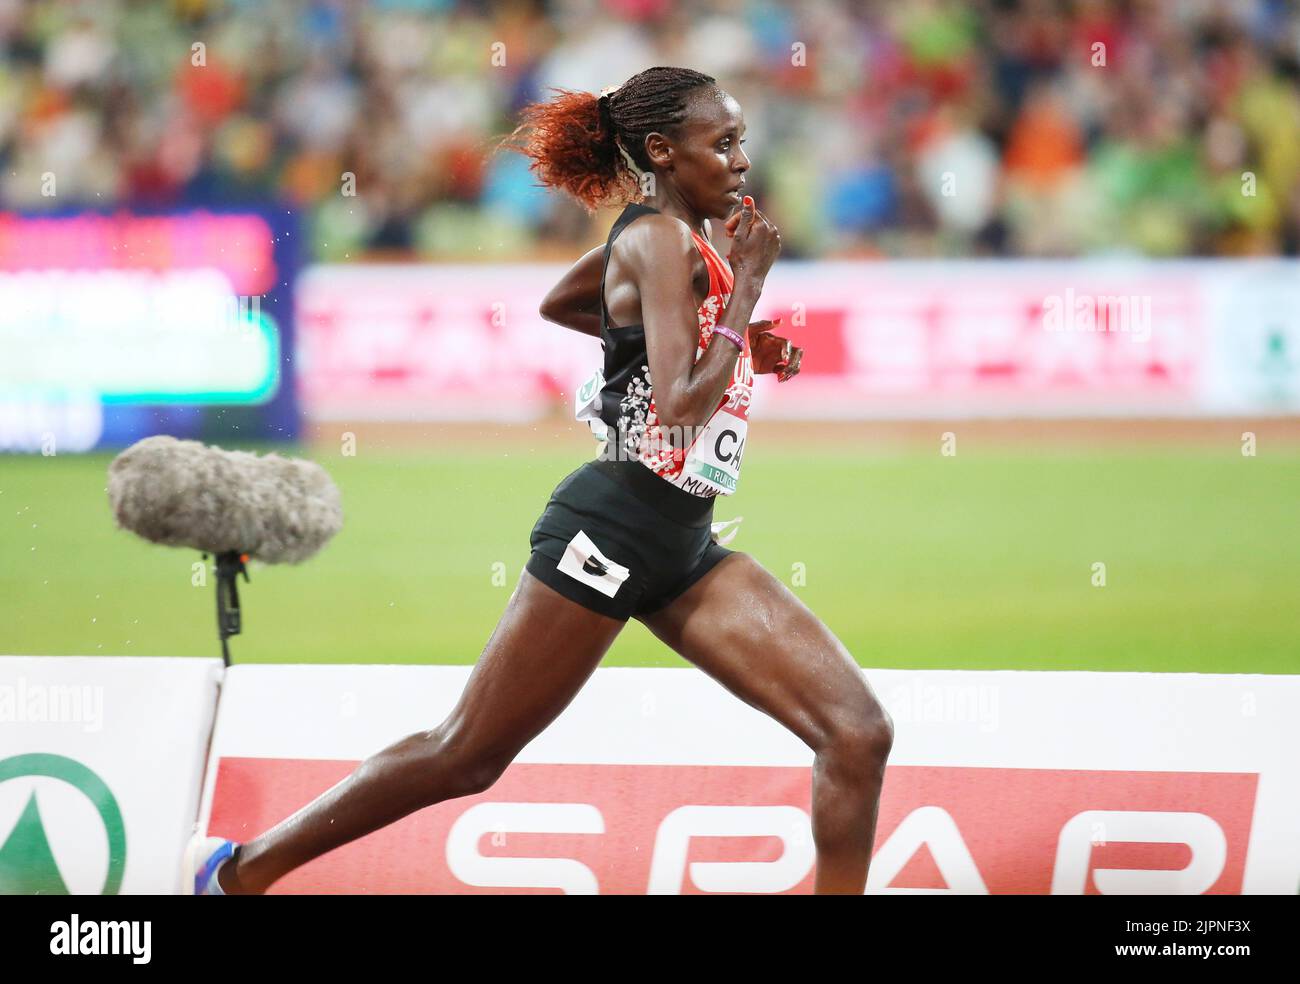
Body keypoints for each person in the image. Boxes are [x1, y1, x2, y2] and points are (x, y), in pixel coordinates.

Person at [185, 66, 893, 896]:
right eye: (724, 143)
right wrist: (742, 305)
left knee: (855, 731)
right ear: (662, 152)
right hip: (611, 530)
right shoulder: (659, 240)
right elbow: (677, 409)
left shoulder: (674, 242)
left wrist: (717, 330)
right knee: (466, 754)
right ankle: (237, 874)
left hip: (682, 543)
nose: (742, 160)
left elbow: (565, 303)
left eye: (742, 142)